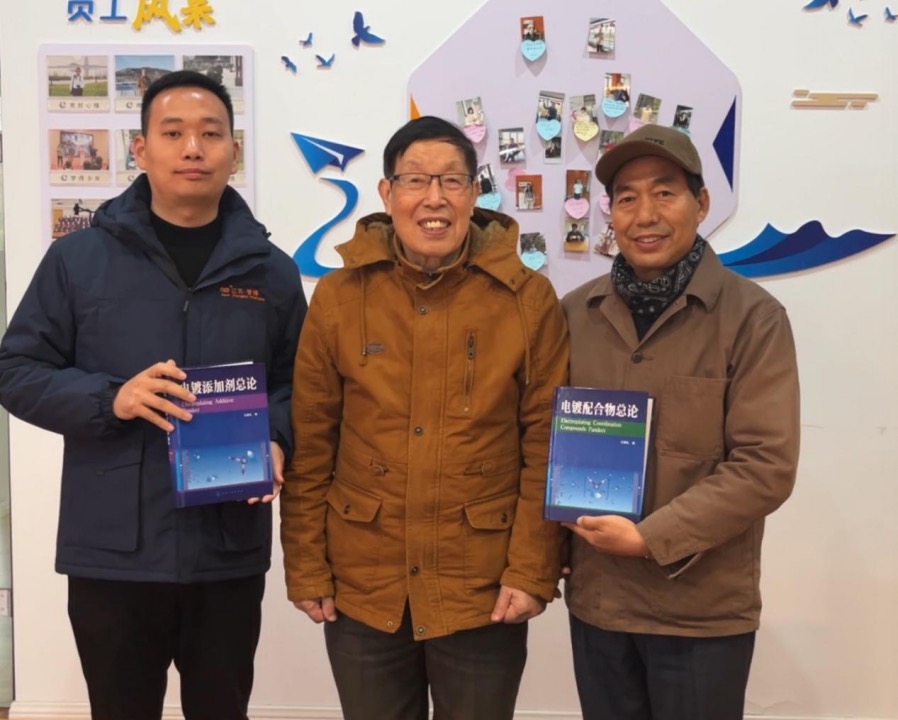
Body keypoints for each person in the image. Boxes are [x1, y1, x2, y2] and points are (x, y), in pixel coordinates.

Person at [0, 70, 306, 720]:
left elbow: (296, 383)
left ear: (233, 151)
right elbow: (16, 370)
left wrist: (278, 439)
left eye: (210, 134)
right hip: (112, 551)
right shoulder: (78, 261)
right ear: (140, 149)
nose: (193, 148)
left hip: (225, 547)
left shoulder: (271, 272)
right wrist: (112, 399)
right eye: (173, 133)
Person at [280, 115, 569, 720]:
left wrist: (532, 569)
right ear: (387, 194)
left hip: (481, 588)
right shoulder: (340, 297)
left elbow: (548, 446)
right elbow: (312, 441)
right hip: (365, 584)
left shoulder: (526, 299)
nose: (434, 198)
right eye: (415, 180)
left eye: (451, 181)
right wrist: (305, 565)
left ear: (474, 194)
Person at [561, 124, 800, 720]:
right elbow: (544, 441)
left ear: (702, 203)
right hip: (599, 605)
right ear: (611, 214)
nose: (645, 214)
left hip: (701, 613)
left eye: (665, 192)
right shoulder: (574, 315)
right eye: (627, 197)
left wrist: (651, 537)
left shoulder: (753, 318)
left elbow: (765, 466)